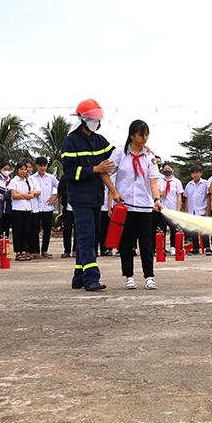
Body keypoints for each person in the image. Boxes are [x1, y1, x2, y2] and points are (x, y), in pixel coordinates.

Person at [62, 99, 118, 292]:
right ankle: (91, 278)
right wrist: (95, 168)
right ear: (82, 119)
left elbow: (116, 156)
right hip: (81, 198)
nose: (96, 122)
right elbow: (70, 173)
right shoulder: (70, 142)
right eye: (93, 119)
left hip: (96, 198)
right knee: (87, 238)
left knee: (91, 238)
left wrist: (139, 150)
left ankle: (79, 277)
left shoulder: (99, 140)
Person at [109, 119, 162, 289]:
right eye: (141, 134)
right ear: (132, 135)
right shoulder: (119, 154)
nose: (144, 138)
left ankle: (149, 276)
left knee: (147, 243)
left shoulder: (150, 157)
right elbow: (106, 173)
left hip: (145, 206)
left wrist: (157, 200)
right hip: (125, 207)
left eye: (147, 135)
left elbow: (153, 181)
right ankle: (129, 276)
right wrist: (114, 193)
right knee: (126, 243)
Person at [30, 156, 59, 259]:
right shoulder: (32, 178)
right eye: (40, 166)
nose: (42, 168)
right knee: (35, 230)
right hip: (36, 208)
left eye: (44, 166)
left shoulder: (51, 178)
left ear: (47, 166)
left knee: (47, 230)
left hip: (48, 208)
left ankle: (45, 250)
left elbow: (61, 187)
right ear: (36, 166)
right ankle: (36, 251)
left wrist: (54, 197)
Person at [11, 160, 40, 261]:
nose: (23, 171)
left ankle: (24, 251)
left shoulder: (28, 181)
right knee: (17, 230)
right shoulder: (14, 181)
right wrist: (25, 196)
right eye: (21, 169)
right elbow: (14, 195)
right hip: (17, 209)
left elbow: (32, 195)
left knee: (26, 230)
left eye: (25, 169)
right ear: (17, 170)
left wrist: (21, 195)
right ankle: (18, 252)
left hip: (27, 208)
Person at [155, 162, 183, 251]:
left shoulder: (177, 182)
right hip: (163, 209)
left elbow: (179, 196)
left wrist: (178, 210)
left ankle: (173, 247)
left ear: (172, 170)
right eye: (165, 170)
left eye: (169, 169)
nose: (167, 171)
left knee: (174, 229)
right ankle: (161, 247)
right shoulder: (160, 180)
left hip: (173, 209)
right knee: (161, 229)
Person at [183, 164, 209, 254]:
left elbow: (208, 196)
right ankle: (196, 248)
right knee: (193, 231)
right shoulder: (189, 185)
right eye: (193, 173)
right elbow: (186, 198)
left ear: (201, 173)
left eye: (197, 173)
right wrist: (186, 211)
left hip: (202, 209)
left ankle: (207, 247)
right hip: (192, 211)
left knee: (204, 230)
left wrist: (208, 209)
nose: (195, 175)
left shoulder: (205, 183)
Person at [55, 175, 76, 258]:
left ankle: (76, 250)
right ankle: (67, 250)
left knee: (78, 230)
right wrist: (70, 195)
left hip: (78, 207)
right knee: (67, 229)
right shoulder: (64, 177)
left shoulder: (81, 176)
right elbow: (61, 190)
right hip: (67, 207)